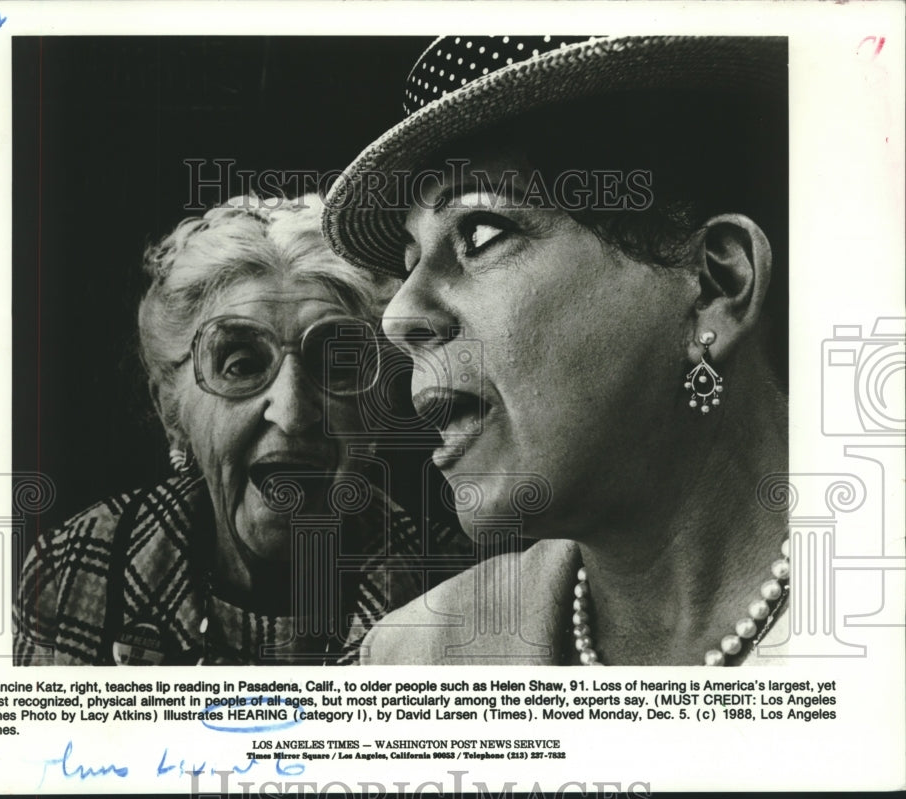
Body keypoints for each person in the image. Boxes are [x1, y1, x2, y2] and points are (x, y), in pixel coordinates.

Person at [323, 35, 791, 666]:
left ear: (715, 287)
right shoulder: (417, 662)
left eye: (480, 233)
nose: (400, 316)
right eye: (409, 265)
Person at [14, 194, 465, 665]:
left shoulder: (463, 586)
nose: (292, 414)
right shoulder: (73, 569)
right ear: (172, 414)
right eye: (241, 364)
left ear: (375, 410)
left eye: (335, 367)